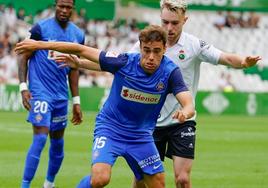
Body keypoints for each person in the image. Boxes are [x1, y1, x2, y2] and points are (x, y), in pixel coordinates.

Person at [15, 25, 195, 188]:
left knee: (158, 184)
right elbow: (80, 49)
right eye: (146, 50)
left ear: (165, 49)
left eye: (157, 51)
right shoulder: (124, 61)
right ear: (140, 47)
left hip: (141, 136)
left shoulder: (171, 72)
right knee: (100, 178)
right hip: (110, 129)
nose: (151, 57)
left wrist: (184, 113)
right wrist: (39, 45)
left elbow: (188, 104)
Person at [129, 1, 261, 188]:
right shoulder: (147, 45)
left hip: (182, 122)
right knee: (142, 180)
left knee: (182, 179)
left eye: (175, 23)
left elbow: (224, 57)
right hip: (150, 123)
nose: (169, 28)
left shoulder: (194, 45)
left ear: (185, 20)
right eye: (165, 22)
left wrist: (244, 62)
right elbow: (121, 63)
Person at [17, 0, 84, 187]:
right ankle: (25, 185)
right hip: (40, 92)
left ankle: (49, 183)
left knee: (58, 144)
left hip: (61, 96)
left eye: (68, 7)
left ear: (73, 8)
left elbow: (74, 69)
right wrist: (24, 87)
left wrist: (76, 101)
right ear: (55, 5)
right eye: (61, 6)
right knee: (40, 138)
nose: (64, 10)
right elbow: (24, 57)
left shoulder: (78, 35)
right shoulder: (40, 28)